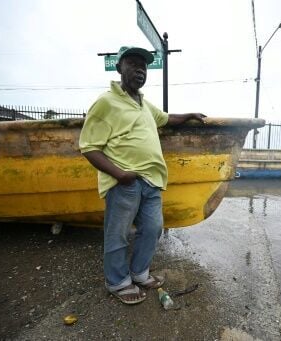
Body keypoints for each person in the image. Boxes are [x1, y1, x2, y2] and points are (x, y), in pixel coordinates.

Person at [79, 46, 206, 305]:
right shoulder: (106, 102)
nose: (139, 69)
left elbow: (166, 118)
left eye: (144, 66)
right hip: (123, 180)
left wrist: (190, 115)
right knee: (118, 233)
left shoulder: (144, 104)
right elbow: (89, 147)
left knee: (153, 228)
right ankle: (117, 282)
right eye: (133, 64)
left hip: (152, 180)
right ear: (119, 68)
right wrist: (120, 174)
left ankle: (139, 273)